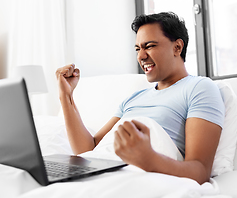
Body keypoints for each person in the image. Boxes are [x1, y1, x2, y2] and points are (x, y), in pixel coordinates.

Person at [55, 12, 225, 185]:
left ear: (177, 47)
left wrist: (149, 158)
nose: (141, 56)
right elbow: (87, 150)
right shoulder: (134, 98)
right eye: (138, 49)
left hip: (141, 176)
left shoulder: (200, 88)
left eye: (149, 46)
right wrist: (66, 95)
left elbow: (200, 171)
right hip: (105, 172)